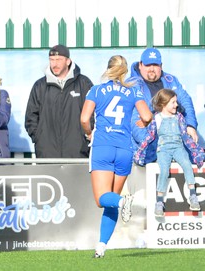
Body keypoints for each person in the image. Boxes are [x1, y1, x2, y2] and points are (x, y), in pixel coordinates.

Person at [80, 55, 152, 258]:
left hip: (103, 146)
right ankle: (101, 247)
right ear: (125, 71)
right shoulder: (133, 91)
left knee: (103, 199)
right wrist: (143, 124)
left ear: (108, 69)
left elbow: (85, 118)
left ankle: (123, 203)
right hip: (124, 149)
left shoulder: (96, 90)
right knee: (112, 200)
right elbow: (147, 116)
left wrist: (89, 132)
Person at [133, 89, 205, 217]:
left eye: (176, 102)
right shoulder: (157, 118)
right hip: (163, 149)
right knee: (164, 171)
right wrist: (140, 151)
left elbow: (185, 136)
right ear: (163, 104)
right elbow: (149, 137)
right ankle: (159, 202)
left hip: (178, 147)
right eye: (173, 102)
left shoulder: (179, 117)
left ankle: (193, 195)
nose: (176, 105)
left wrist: (196, 150)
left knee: (187, 166)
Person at [130, 48, 198, 165]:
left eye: (155, 65)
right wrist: (149, 145)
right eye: (148, 65)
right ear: (140, 65)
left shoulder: (171, 81)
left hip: (173, 148)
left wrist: (190, 125)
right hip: (145, 152)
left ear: (161, 66)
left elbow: (186, 102)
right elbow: (134, 120)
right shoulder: (131, 85)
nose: (151, 69)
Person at [25, 44, 94, 158]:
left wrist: (85, 136)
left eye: (59, 60)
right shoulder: (40, 86)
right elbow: (31, 117)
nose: (55, 64)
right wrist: (39, 138)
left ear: (68, 61)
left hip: (78, 151)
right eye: (51, 60)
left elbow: (93, 113)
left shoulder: (83, 83)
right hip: (47, 153)